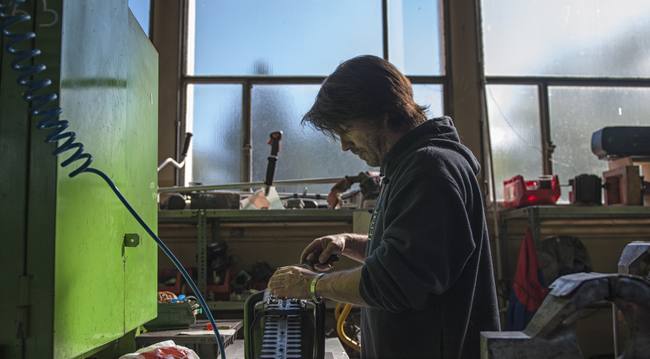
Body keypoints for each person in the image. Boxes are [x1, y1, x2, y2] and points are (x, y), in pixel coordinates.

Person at [267, 55, 500, 359]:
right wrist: (349, 243)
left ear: (386, 114)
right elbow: (413, 252)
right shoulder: (408, 167)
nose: (345, 145)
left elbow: (395, 282)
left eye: (347, 129)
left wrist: (312, 285)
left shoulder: (430, 169)